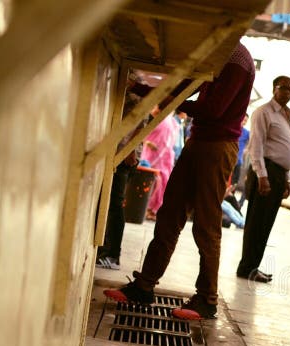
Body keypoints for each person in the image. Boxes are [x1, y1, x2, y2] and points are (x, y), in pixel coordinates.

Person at [104, 42, 256, 320]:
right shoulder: (217, 52)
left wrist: (159, 98)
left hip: (218, 147)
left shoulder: (236, 59)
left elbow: (213, 110)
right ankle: (144, 285)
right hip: (198, 143)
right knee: (169, 214)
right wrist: (141, 90)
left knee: (207, 225)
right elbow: (181, 87)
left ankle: (207, 299)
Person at [236, 76, 290, 284]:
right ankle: (246, 268)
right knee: (256, 222)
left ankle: (253, 267)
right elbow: (257, 146)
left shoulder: (286, 116)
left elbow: (283, 151)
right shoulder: (263, 112)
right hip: (266, 173)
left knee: (265, 224)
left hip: (278, 174)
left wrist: (286, 178)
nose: (288, 93)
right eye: (284, 88)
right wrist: (262, 176)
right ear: (274, 89)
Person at [96, 77, 148, 270]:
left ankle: (112, 255)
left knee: (114, 204)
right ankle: (104, 250)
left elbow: (142, 122)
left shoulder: (136, 89)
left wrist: (131, 150)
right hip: (117, 152)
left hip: (123, 155)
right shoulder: (126, 86)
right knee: (107, 204)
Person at [141, 106, 178, 220]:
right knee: (153, 182)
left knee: (162, 183)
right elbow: (142, 134)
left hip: (165, 158)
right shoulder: (157, 117)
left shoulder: (172, 122)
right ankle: (148, 209)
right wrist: (147, 142)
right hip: (151, 156)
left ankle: (154, 210)